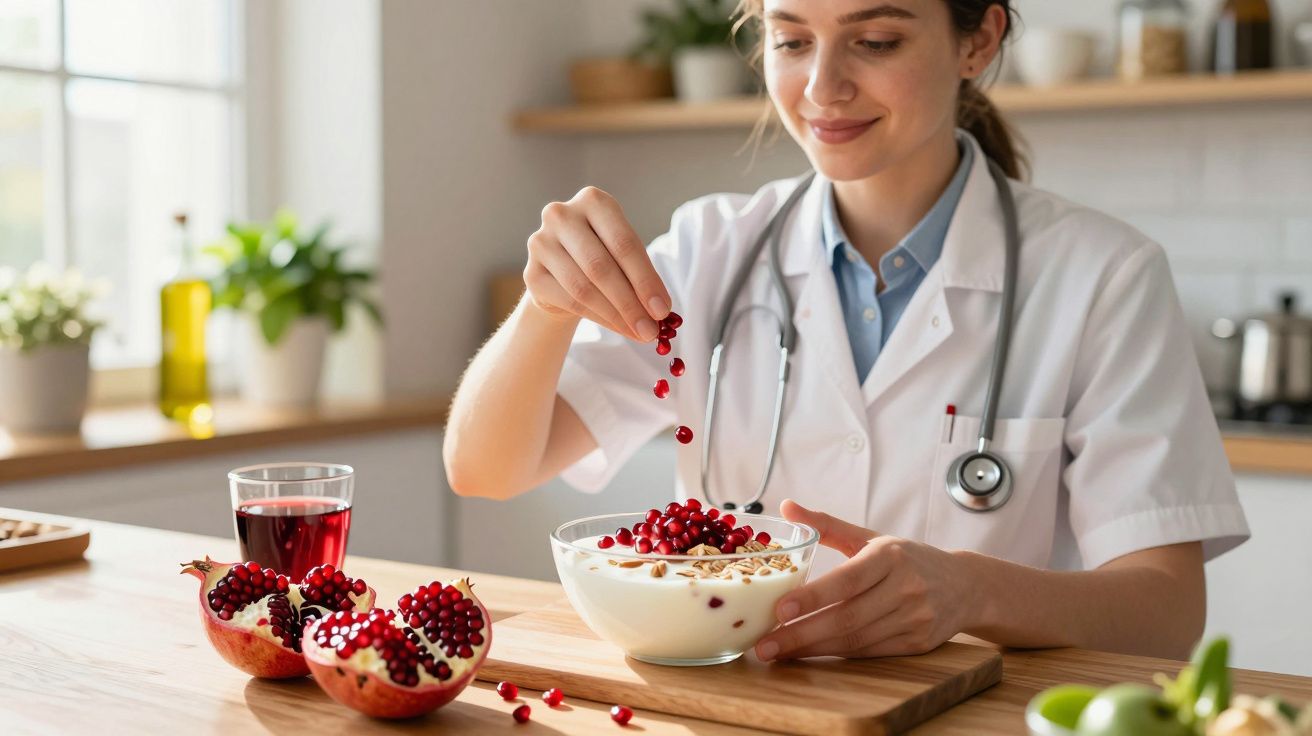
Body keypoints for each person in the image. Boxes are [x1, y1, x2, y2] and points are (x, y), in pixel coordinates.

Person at [443, 0, 1249, 662]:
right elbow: (484, 466)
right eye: (792, 41)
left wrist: (974, 591)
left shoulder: (1102, 275)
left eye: (875, 40)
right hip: (739, 708)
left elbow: (1167, 613)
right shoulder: (704, 254)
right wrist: (544, 308)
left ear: (979, 39)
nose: (822, 86)